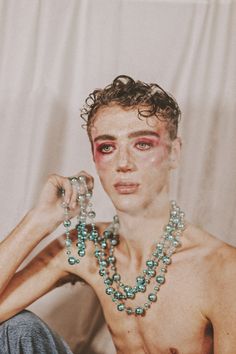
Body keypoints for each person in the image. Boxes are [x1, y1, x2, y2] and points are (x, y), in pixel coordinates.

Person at [0, 75, 235, 354]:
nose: (123, 163)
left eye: (143, 144)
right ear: (94, 157)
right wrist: (40, 219)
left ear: (174, 153)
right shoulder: (85, 248)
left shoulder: (221, 270)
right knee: (15, 328)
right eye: (107, 148)